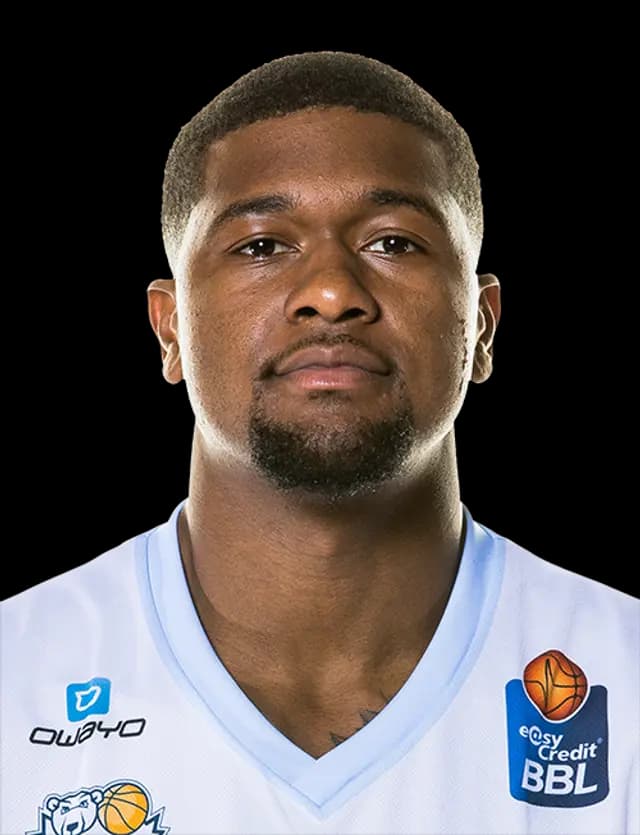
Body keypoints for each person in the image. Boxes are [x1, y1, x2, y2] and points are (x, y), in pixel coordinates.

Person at [1, 50, 638, 835]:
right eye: (262, 245)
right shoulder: (14, 678)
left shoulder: (625, 674)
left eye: (393, 242)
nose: (332, 293)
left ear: (481, 326)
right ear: (171, 330)